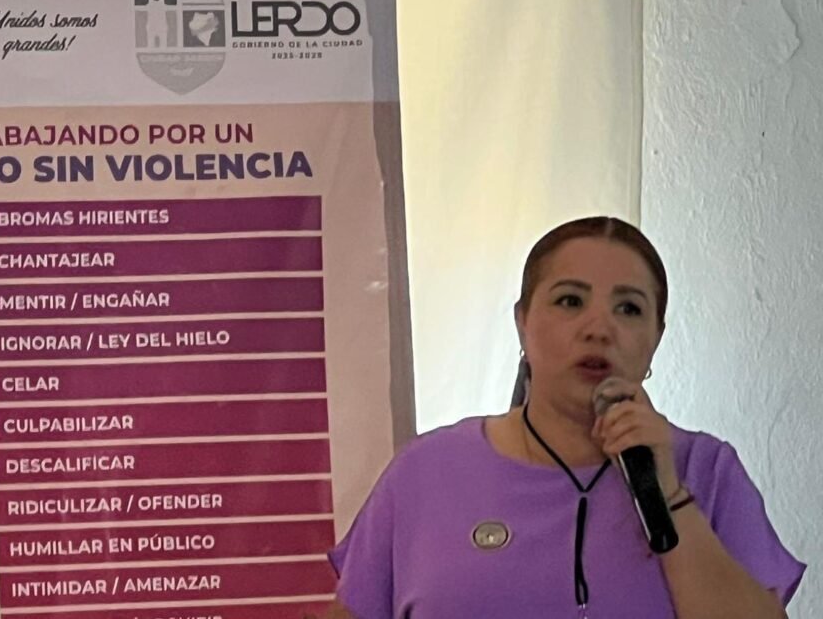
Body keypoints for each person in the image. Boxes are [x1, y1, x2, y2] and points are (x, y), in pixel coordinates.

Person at [325, 217, 805, 618]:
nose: (599, 329)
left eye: (629, 308)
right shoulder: (426, 472)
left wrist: (669, 496)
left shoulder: (707, 470)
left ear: (656, 337)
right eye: (570, 301)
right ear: (522, 322)